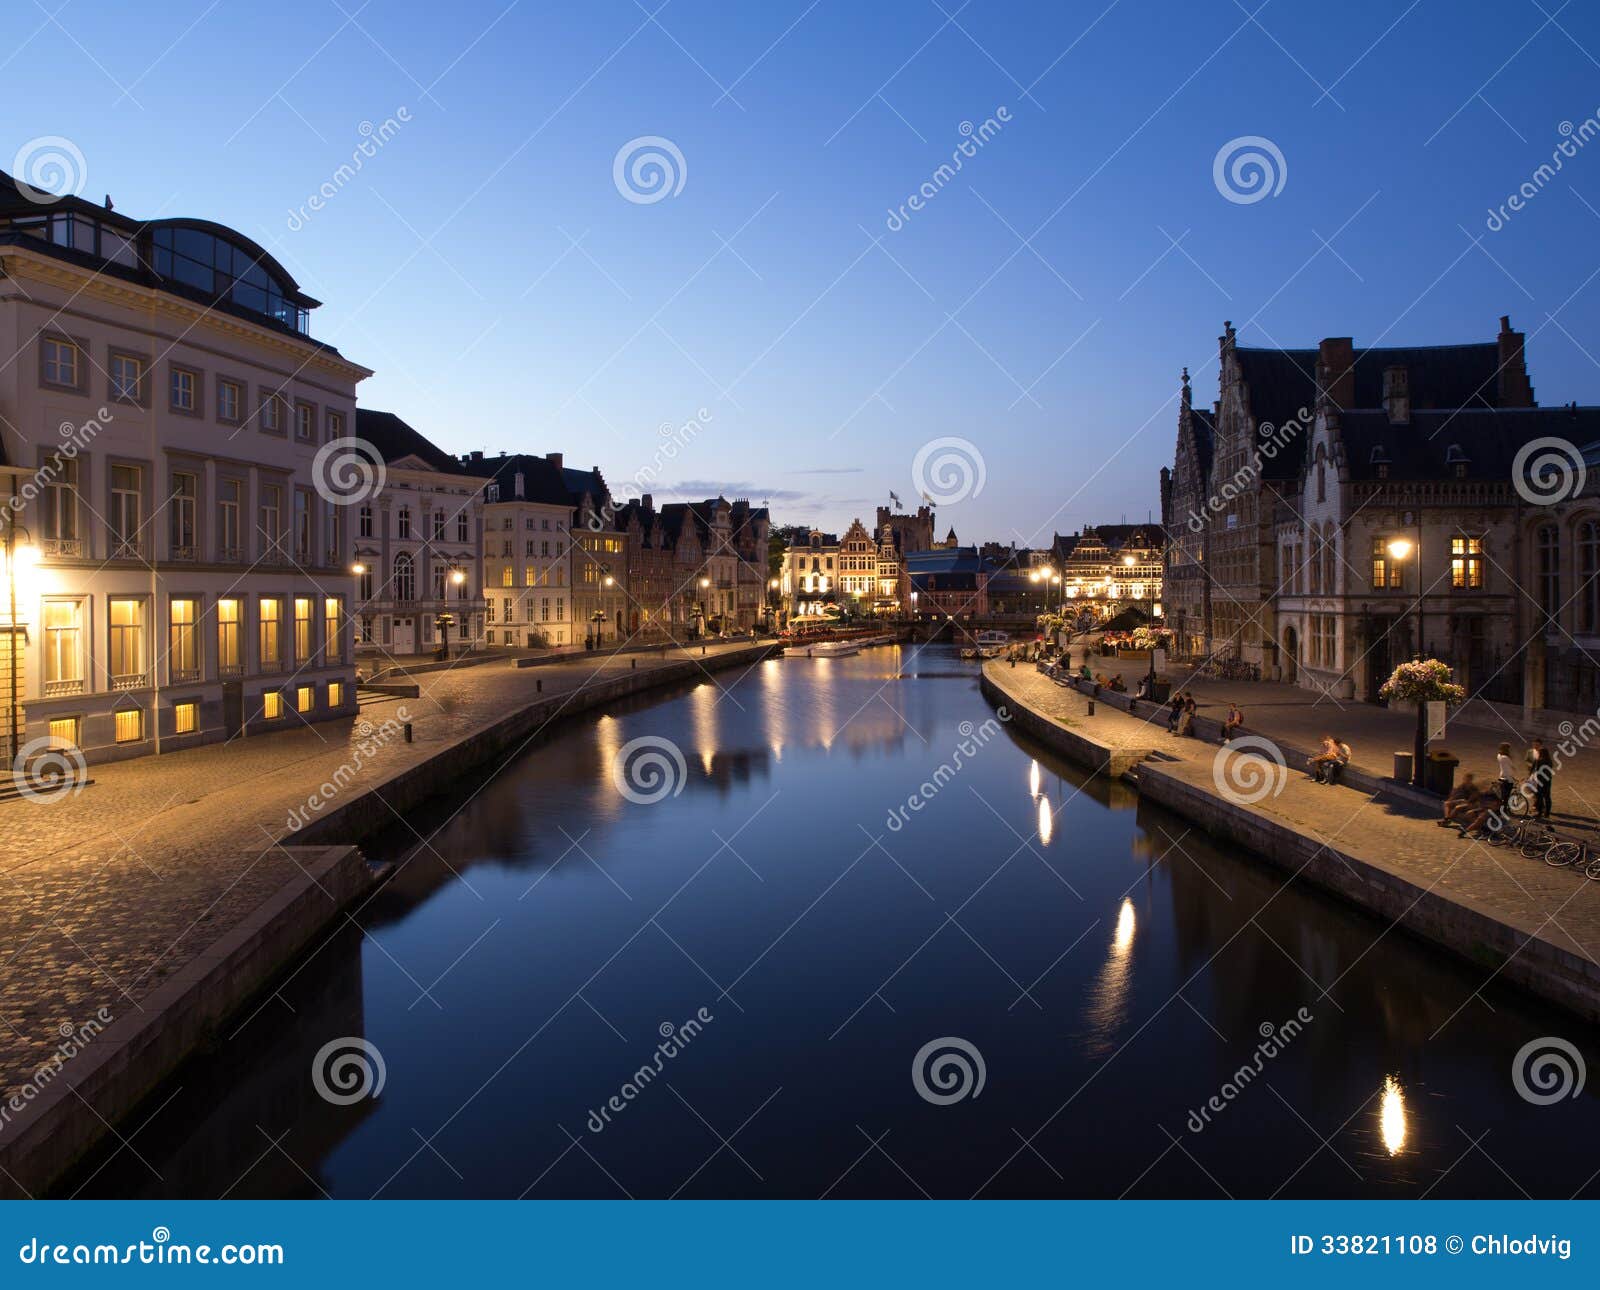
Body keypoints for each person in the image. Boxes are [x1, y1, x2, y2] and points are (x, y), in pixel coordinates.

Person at [1528, 738, 1554, 819]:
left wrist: (1529, 777)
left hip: (1540, 781)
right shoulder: (1549, 761)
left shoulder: (1539, 760)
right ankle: (1547, 813)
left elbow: (1534, 769)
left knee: (1539, 796)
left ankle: (1539, 812)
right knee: (1547, 797)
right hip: (1547, 780)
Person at [1495, 741, 1516, 811]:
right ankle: (1504, 810)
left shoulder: (1499, 756)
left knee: (1502, 795)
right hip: (1508, 778)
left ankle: (1501, 809)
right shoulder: (1506, 758)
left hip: (1501, 776)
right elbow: (1513, 766)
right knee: (1506, 796)